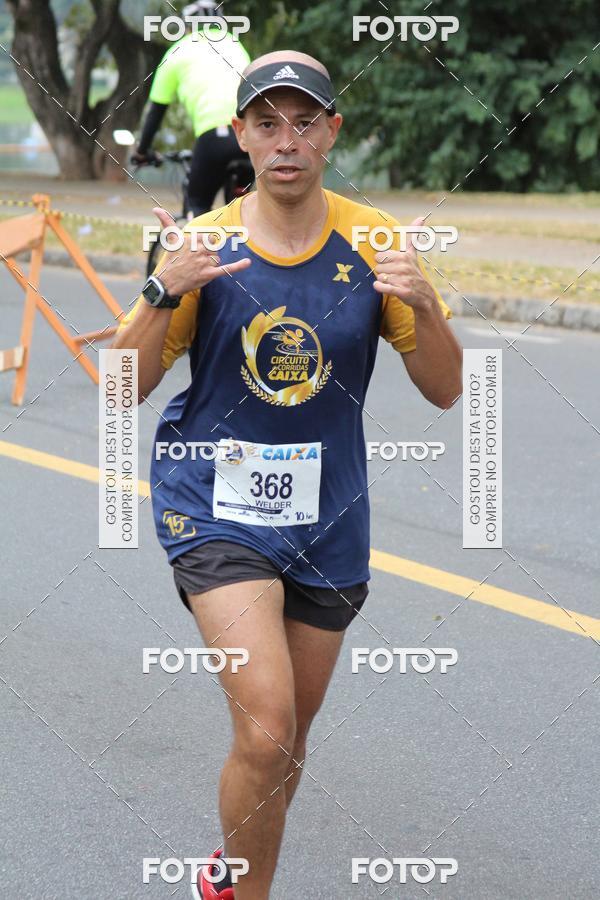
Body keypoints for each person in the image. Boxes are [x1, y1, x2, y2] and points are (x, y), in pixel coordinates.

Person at [112, 49, 462, 899]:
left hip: (331, 516)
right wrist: (162, 291)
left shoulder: (376, 241)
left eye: (305, 120)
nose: (287, 139)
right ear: (241, 135)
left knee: (287, 739)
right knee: (267, 729)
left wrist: (419, 304)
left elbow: (449, 390)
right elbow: (120, 388)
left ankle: (229, 876)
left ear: (331, 131)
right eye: (266, 122)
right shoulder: (202, 242)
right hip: (214, 506)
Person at [133, 0, 252, 216]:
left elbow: (156, 111)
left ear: (187, 26)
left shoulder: (178, 50)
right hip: (249, 135)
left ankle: (196, 243)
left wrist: (142, 152)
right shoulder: (235, 44)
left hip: (214, 135)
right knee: (241, 213)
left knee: (197, 203)